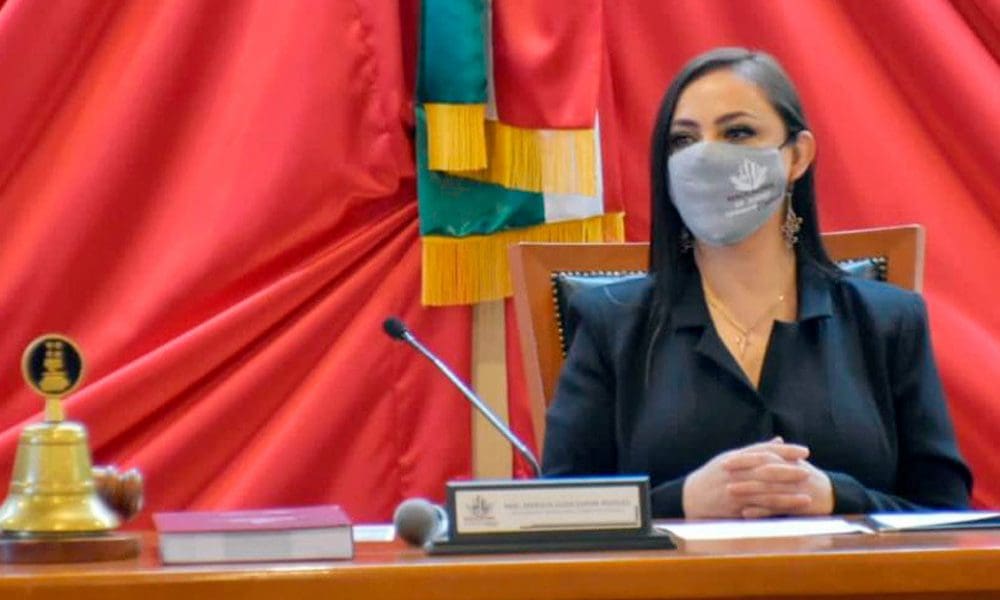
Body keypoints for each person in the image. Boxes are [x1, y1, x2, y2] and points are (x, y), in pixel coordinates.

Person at [541, 47, 972, 519]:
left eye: (737, 133)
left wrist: (835, 497)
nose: (706, 155)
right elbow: (558, 514)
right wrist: (682, 502)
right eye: (684, 140)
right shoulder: (611, 323)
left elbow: (945, 514)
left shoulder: (890, 320)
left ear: (797, 156)